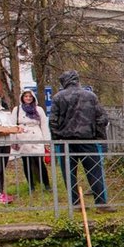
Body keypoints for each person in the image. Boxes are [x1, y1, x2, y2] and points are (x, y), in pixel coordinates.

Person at [49, 70, 113, 210]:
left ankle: (76, 204)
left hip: (65, 142)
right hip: (87, 140)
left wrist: (56, 139)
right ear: (77, 80)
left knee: (69, 173)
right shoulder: (90, 96)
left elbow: (52, 121)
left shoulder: (58, 97)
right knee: (95, 172)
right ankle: (101, 204)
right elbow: (102, 118)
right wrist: (98, 137)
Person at [11, 89, 51, 192]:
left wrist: (46, 141)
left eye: (30, 96)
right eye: (26, 96)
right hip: (23, 136)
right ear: (22, 98)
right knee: (26, 162)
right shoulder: (17, 109)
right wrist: (13, 140)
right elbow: (12, 125)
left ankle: (46, 184)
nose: (28, 98)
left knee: (39, 161)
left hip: (36, 136)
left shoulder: (39, 109)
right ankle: (31, 186)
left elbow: (44, 125)